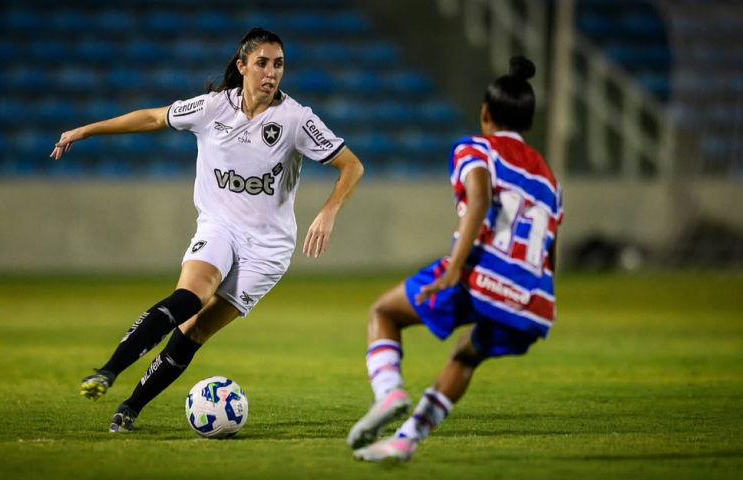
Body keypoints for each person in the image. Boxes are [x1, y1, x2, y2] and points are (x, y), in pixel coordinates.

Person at [50, 27, 364, 433]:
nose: (271, 73)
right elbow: (152, 117)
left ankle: (130, 407)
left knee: (194, 330)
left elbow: (352, 165)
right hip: (219, 226)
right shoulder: (214, 107)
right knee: (189, 297)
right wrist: (86, 129)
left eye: (279, 64)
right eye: (263, 63)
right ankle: (108, 370)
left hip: (268, 250)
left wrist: (328, 210)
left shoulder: (296, 119)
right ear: (242, 66)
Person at [347, 56, 562, 462]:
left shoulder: (475, 148)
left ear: (485, 113)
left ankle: (389, 391)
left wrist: (457, 265)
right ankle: (405, 439)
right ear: (529, 124)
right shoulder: (550, 179)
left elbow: (479, 197)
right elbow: (550, 245)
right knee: (465, 356)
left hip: (479, 273)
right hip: (532, 298)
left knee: (384, 313)